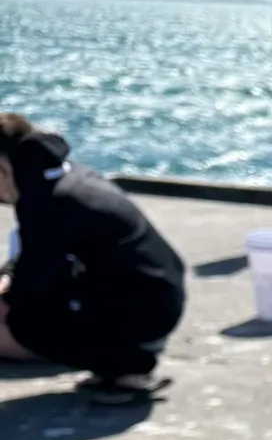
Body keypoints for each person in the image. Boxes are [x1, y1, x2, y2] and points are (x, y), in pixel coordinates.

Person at [0, 113, 186, 403]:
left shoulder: (46, 201)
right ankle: (120, 361)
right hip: (156, 294)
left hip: (146, 311)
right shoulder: (61, 176)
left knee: (23, 321)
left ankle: (127, 368)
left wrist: (9, 294)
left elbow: (35, 283)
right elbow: (36, 255)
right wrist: (8, 278)